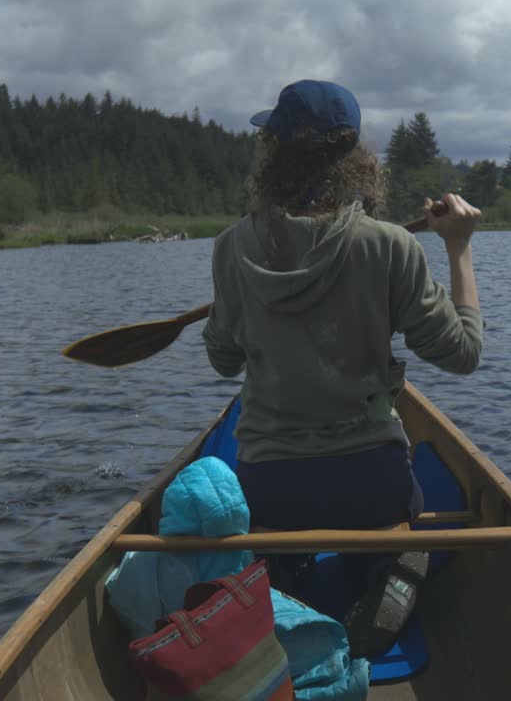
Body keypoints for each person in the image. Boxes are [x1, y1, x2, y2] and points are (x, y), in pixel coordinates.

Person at [202, 79, 484, 656]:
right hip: (370, 487)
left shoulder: (232, 248)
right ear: (356, 158)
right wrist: (458, 248)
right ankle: (399, 569)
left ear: (273, 154)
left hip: (270, 489)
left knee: (276, 529)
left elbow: (222, 361)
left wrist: (235, 304)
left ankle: (282, 572)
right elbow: (463, 353)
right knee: (404, 534)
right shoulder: (389, 247)